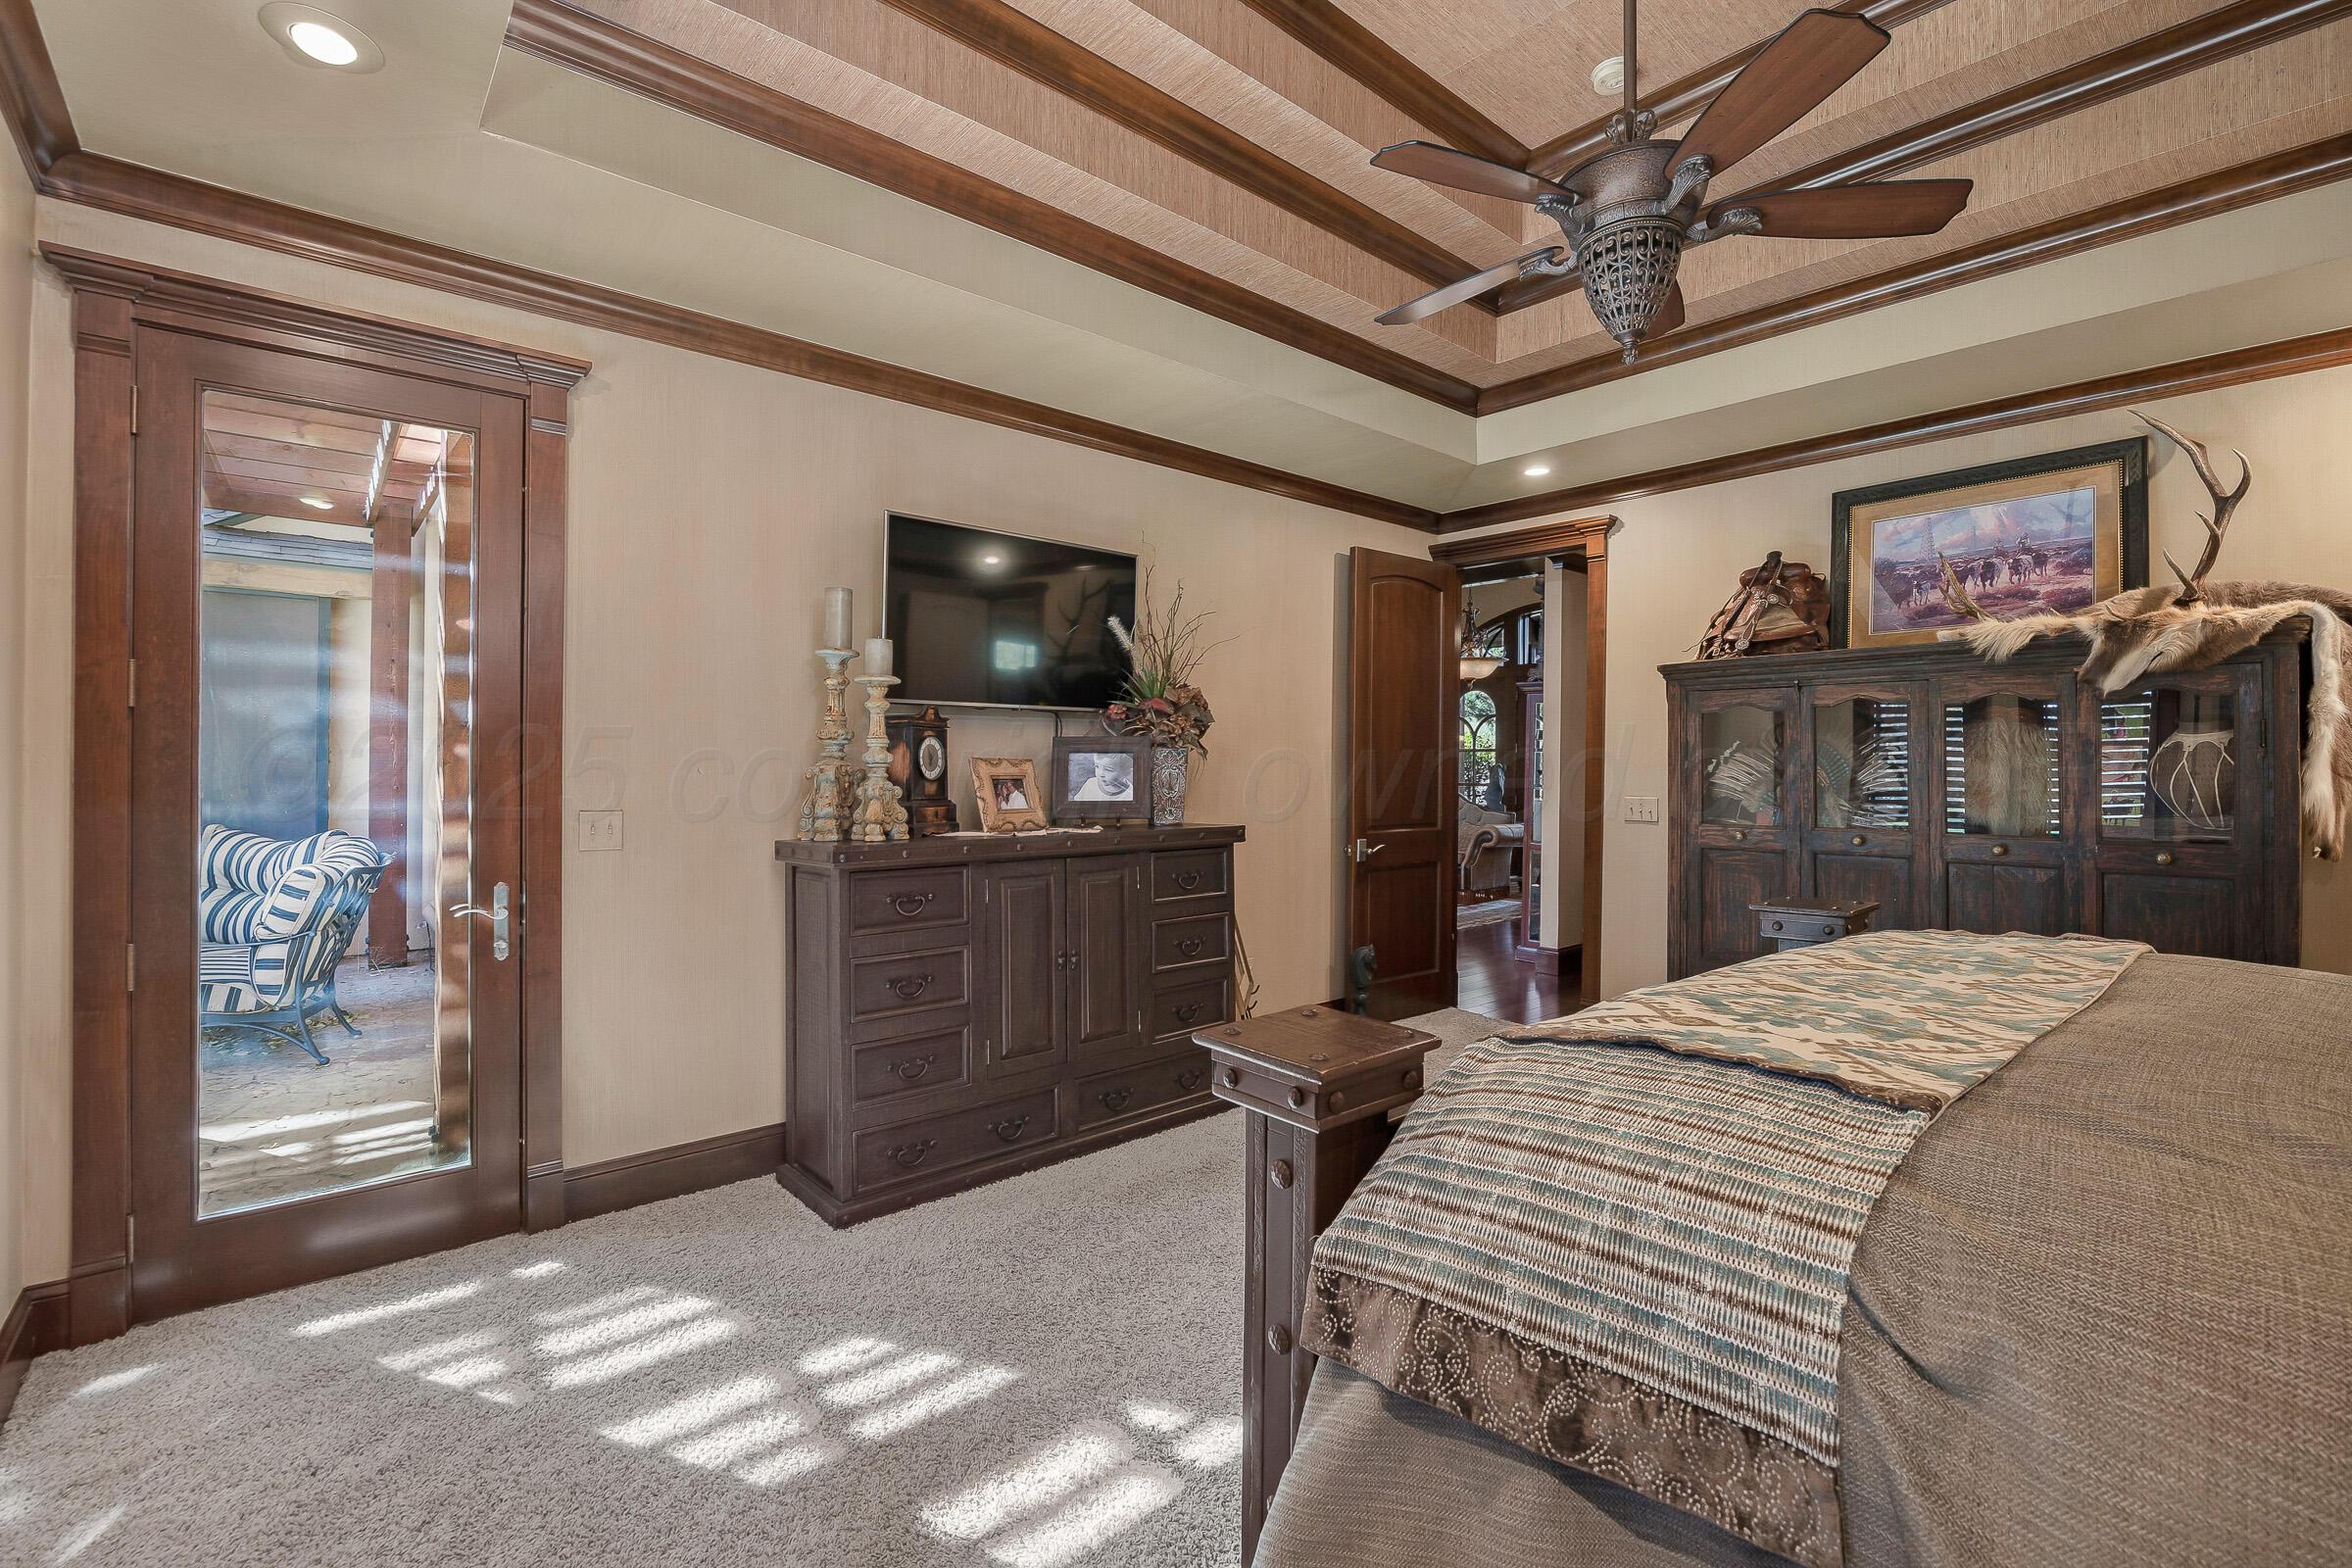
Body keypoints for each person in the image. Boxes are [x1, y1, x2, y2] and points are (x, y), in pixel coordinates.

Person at [1070, 753, 1134, 803]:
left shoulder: (1130, 795)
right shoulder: (1090, 783)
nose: (1100, 774)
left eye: (1108, 770)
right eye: (1097, 766)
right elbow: (1077, 804)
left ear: (1127, 772)